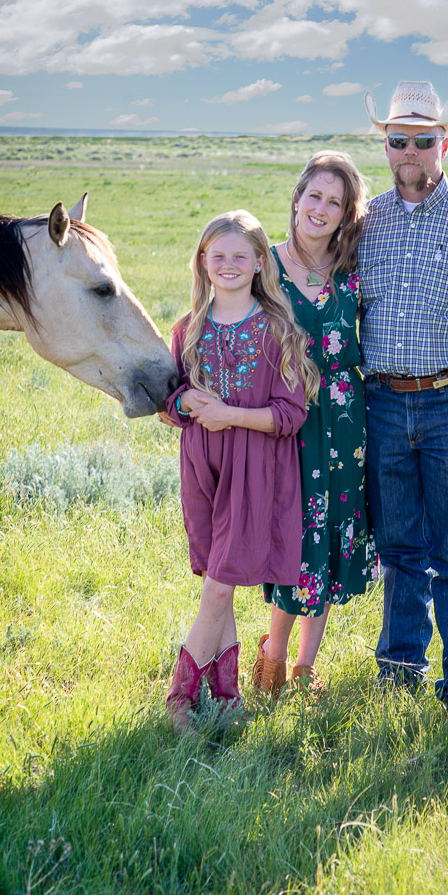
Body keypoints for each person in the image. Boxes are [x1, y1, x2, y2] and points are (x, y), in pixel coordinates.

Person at [359, 80, 448, 714]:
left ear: (444, 142)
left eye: (421, 139)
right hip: (384, 401)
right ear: (385, 145)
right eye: (396, 139)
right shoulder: (367, 220)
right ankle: (398, 671)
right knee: (398, 548)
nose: (408, 150)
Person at [162, 210, 319, 730]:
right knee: (215, 579)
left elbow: (290, 414)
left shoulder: (277, 330)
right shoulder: (188, 329)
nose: (227, 264)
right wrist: (186, 404)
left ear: (258, 263)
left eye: (239, 256)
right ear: (203, 263)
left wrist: (230, 415)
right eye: (217, 255)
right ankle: (227, 696)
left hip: (254, 471)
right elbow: (169, 404)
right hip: (201, 468)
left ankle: (179, 698)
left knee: (221, 585)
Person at [254, 151, 377, 697]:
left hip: (346, 421)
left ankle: (306, 667)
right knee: (294, 535)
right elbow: (216, 315)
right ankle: (272, 659)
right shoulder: (265, 265)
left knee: (328, 538)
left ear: (347, 212)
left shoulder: (354, 268)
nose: (321, 209)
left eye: (335, 201)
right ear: (297, 199)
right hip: (287, 420)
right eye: (315, 196)